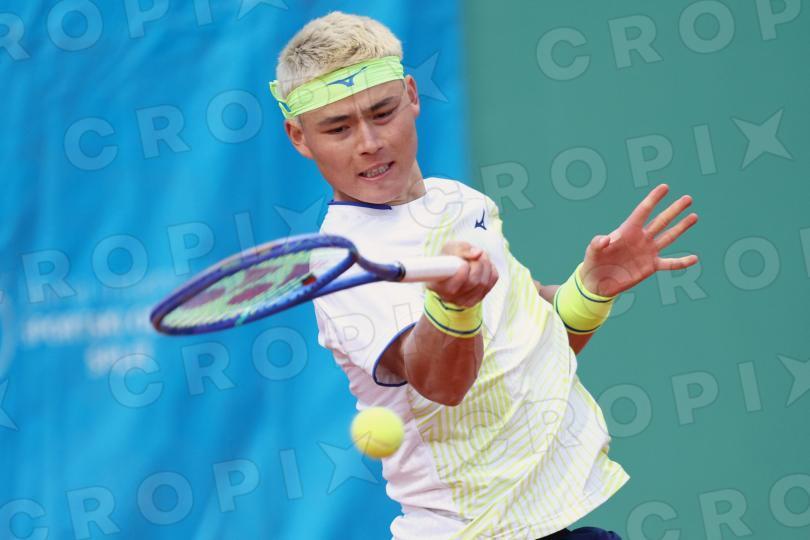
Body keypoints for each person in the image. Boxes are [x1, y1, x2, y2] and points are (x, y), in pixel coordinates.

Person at [269, 11, 699, 540]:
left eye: (382, 113)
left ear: (411, 96)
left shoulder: (460, 201)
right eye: (338, 128)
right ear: (299, 137)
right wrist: (454, 308)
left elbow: (531, 340)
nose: (369, 142)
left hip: (545, 523)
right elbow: (441, 384)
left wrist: (591, 290)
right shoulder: (343, 262)